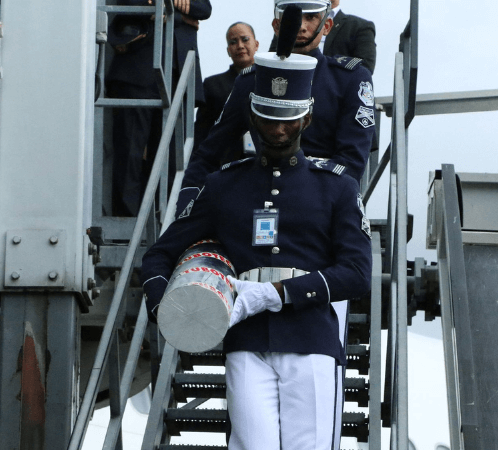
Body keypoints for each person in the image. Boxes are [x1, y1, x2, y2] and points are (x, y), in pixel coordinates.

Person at [142, 50, 372, 450]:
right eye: (268, 118)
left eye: (288, 120)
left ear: (306, 118)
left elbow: (357, 273)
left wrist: (278, 293)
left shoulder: (336, 187)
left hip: (311, 338)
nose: (279, 130)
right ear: (252, 117)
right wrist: (166, 309)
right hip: (245, 339)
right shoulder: (223, 185)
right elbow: (160, 255)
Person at [177, 0, 374, 219]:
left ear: (326, 26)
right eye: (293, 17)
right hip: (259, 202)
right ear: (276, 25)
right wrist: (187, 205)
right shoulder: (251, 80)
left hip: (322, 208)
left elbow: (351, 162)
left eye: (311, 18)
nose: (300, 26)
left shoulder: (350, 79)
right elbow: (208, 154)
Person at [107, 0, 211, 216]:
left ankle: (166, 220)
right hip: (138, 72)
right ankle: (127, 224)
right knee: (130, 154)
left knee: (172, 159)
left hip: (178, 74)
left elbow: (204, 8)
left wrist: (170, 10)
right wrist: (182, 15)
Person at [193, 22, 259, 156]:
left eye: (245, 39)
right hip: (224, 162)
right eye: (233, 42)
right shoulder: (213, 85)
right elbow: (201, 132)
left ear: (256, 44)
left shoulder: (269, 80)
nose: (240, 46)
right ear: (228, 50)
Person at [269, 0, 377, 73]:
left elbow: (364, 68)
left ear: (327, 26)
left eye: (311, 17)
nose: (302, 27)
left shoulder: (359, 26)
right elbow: (275, 57)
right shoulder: (290, 18)